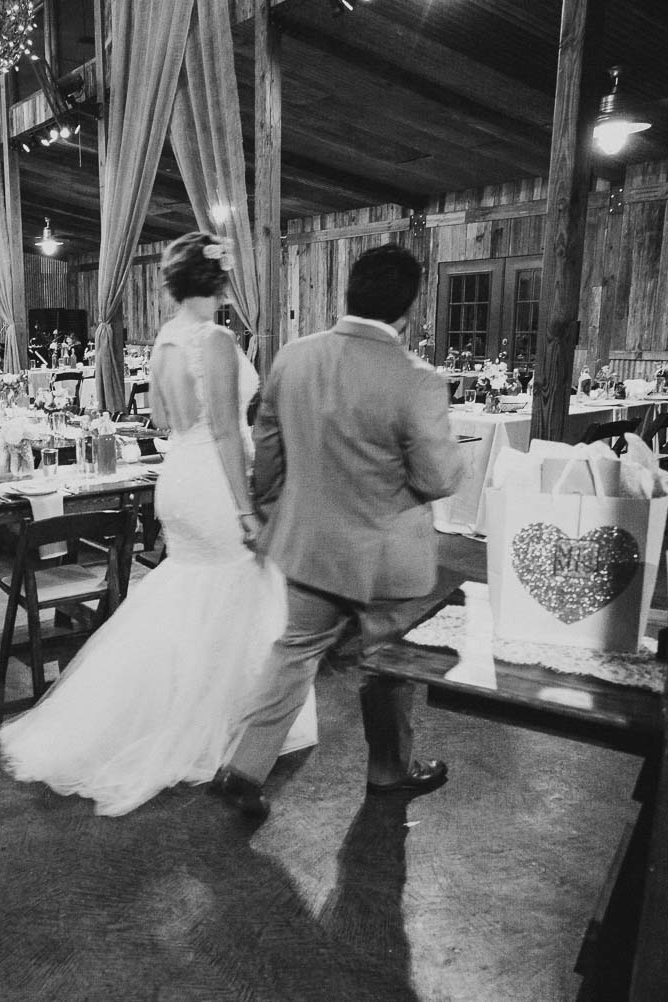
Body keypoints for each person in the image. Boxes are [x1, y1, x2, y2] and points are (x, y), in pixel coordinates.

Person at [0, 232, 315, 816]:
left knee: (193, 593)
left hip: (178, 479)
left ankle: (173, 712)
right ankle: (224, 727)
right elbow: (225, 430)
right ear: (219, 281)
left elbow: (165, 418)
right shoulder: (215, 339)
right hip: (216, 485)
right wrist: (247, 506)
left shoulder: (167, 342)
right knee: (236, 595)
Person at [212, 244, 463, 819]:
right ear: (408, 308)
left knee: (292, 651)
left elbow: (267, 451)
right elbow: (438, 476)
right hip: (386, 559)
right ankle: (388, 770)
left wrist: (272, 511)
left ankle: (244, 768)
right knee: (388, 664)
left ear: (347, 294)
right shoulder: (416, 379)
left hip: (309, 545)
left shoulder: (293, 358)